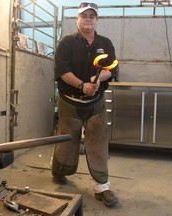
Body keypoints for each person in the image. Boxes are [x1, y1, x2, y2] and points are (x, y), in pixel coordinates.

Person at [51, 2, 118, 207]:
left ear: (96, 20)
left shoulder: (105, 43)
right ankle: (59, 170)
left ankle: (102, 187)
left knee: (98, 141)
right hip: (69, 101)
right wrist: (82, 86)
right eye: (84, 16)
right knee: (67, 139)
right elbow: (62, 71)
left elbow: (112, 68)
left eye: (92, 16)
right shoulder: (66, 43)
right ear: (77, 20)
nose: (88, 19)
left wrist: (99, 80)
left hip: (95, 103)